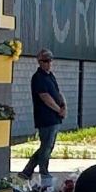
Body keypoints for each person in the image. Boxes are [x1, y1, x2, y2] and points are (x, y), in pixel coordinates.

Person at [24, 50, 66, 178]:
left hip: (55, 117)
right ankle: (43, 171)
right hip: (45, 118)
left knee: (47, 146)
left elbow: (57, 92)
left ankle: (27, 171)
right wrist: (58, 109)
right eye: (45, 61)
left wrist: (63, 106)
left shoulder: (50, 76)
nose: (48, 63)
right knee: (46, 147)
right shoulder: (38, 78)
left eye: (50, 60)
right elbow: (45, 97)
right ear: (39, 62)